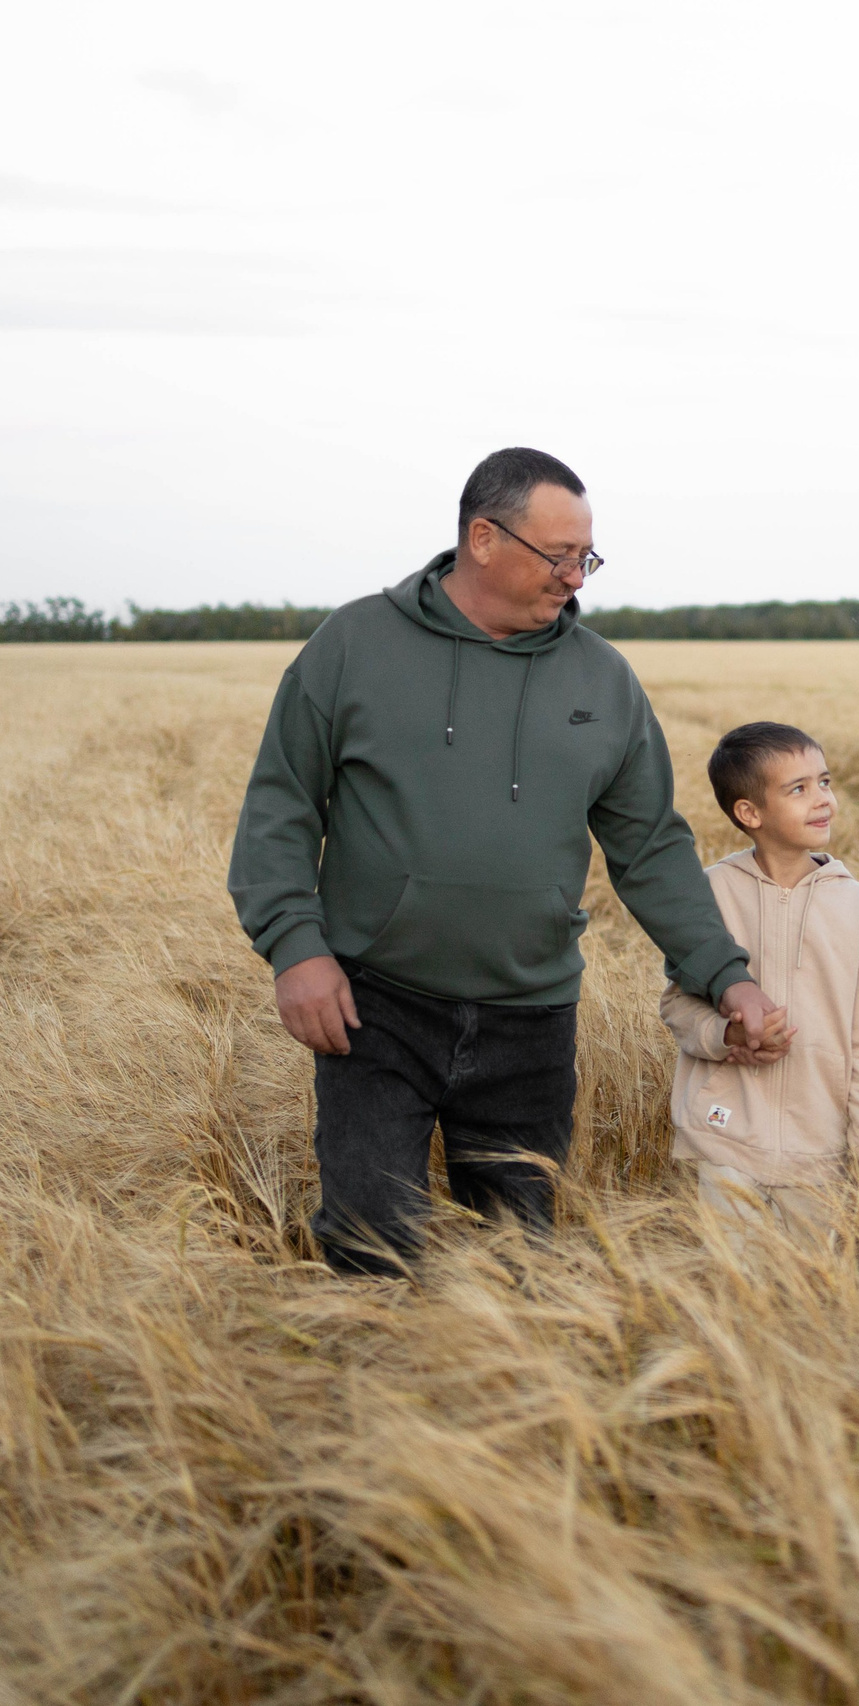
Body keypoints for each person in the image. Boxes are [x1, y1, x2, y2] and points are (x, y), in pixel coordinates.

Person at [228, 447, 781, 1275]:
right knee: (369, 1250)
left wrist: (725, 974)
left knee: (518, 1266)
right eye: (558, 555)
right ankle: (368, 1397)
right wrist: (297, 951)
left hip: (531, 1019)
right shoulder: (353, 645)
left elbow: (651, 847)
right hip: (374, 1008)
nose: (576, 578)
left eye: (585, 556)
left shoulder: (605, 679)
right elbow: (280, 808)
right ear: (482, 539)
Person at [660, 722, 859, 1248]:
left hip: (819, 1146)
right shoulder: (711, 892)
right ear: (750, 813)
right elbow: (678, 1005)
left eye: (825, 782)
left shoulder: (856, 904)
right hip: (726, 1136)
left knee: (807, 1296)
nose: (823, 801)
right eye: (799, 789)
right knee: (731, 1288)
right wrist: (725, 1036)